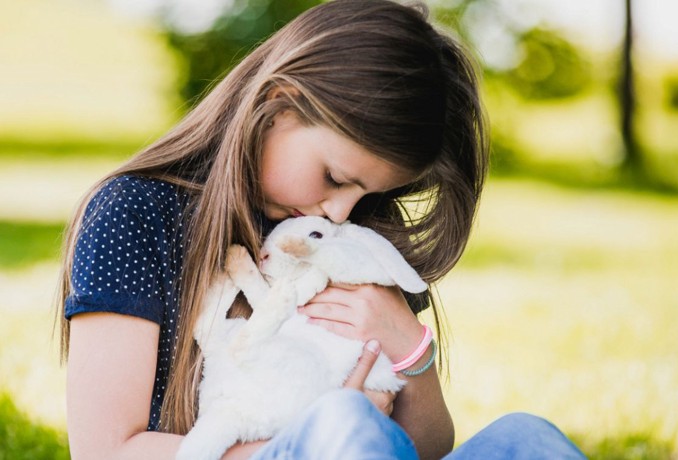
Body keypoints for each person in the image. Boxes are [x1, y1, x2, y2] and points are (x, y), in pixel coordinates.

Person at [56, 0, 587, 459]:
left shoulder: (345, 239)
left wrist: (409, 348)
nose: (339, 213)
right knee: (343, 425)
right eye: (334, 177)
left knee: (527, 439)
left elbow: (427, 447)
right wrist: (313, 440)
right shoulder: (135, 212)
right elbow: (106, 450)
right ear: (277, 103)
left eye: (366, 194)